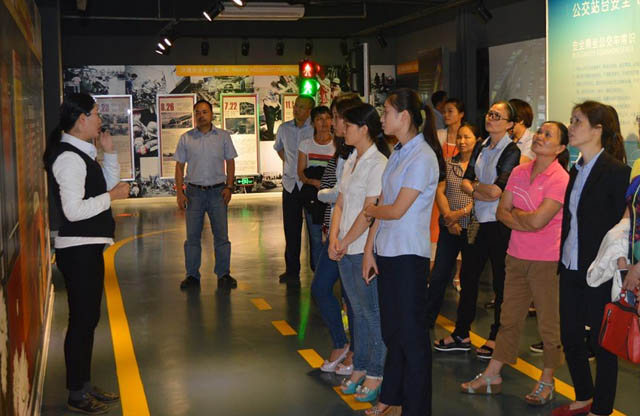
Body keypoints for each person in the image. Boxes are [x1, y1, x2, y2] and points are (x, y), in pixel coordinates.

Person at [460, 121, 570, 407]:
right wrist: (526, 218)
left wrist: (520, 216)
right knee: (508, 319)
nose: (540, 137)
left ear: (560, 148)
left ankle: (547, 379)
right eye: (540, 132)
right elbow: (501, 212)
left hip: (546, 260)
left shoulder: (560, 178)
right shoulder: (519, 172)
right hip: (516, 254)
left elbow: (538, 221)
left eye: (548, 135)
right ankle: (492, 375)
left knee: (548, 324)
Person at [43, 93, 130, 414]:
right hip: (78, 250)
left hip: (86, 247)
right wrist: (112, 197)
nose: (100, 120)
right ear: (81, 119)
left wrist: (110, 154)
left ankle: (83, 383)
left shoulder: (80, 153)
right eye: (96, 114)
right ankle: (76, 393)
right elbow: (74, 210)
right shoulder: (69, 159)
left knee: (87, 320)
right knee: (82, 322)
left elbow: (104, 186)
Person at [362, 88, 442, 416]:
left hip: (409, 256)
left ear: (404, 117)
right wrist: (369, 250)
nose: (382, 118)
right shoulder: (398, 152)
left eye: (386, 112)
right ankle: (391, 398)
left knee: (412, 337)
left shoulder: (423, 157)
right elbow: (385, 202)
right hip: (388, 252)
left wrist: (371, 210)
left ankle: (416, 408)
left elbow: (394, 210)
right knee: (393, 332)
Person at [552, 101, 629, 416]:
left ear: (597, 129)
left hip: (600, 269)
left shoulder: (616, 171)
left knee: (602, 341)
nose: (570, 127)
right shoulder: (576, 168)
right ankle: (584, 395)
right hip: (571, 264)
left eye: (577, 121)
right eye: (571, 120)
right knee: (570, 336)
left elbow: (623, 224)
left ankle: (602, 407)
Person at [434, 100, 520, 358]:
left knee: (500, 283)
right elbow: (465, 181)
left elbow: (497, 191)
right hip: (477, 222)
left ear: (509, 124)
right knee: (469, 278)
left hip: (499, 224)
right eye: (490, 113)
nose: (490, 118)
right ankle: (461, 333)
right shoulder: (482, 146)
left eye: (497, 115)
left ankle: (496, 337)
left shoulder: (511, 151)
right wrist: (481, 189)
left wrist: (478, 189)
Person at [328, 103, 389, 403]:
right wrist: (334, 237)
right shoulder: (352, 158)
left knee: (371, 313)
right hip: (344, 246)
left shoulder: (378, 163)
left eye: (348, 125)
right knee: (357, 311)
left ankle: (376, 371)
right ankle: (361, 366)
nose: (343, 129)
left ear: (364, 129)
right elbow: (340, 202)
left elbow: (369, 212)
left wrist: (345, 241)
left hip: (362, 248)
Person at [312, 94, 361, 375]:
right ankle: (342, 343)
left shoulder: (361, 154)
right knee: (321, 288)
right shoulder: (341, 151)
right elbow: (335, 192)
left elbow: (343, 194)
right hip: (335, 233)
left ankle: (356, 351)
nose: (332, 122)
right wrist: (329, 229)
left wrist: (325, 194)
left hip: (352, 235)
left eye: (337, 117)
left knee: (352, 297)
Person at [175, 99, 238, 290]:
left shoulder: (223, 137)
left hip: (218, 192)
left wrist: (229, 187)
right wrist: (180, 193)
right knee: (192, 237)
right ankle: (192, 276)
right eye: (197, 112)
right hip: (194, 193)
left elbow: (230, 162)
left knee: (221, 236)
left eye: (204, 112)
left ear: (211, 114)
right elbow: (179, 167)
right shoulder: (186, 138)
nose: (200, 116)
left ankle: (224, 274)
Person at [426, 123, 479, 329]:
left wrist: (461, 213)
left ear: (477, 140)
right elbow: (440, 191)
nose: (462, 141)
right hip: (449, 227)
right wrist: (449, 217)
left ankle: (463, 327)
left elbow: (483, 197)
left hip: (472, 228)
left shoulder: (481, 166)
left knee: (469, 278)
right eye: (459, 137)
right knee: (439, 274)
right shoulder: (448, 163)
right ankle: (427, 318)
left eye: (467, 137)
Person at [273, 96, 315, 287]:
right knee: (291, 228)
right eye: (296, 105)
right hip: (290, 184)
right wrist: (290, 164)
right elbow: (279, 149)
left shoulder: (314, 129)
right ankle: (291, 270)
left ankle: (317, 268)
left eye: (301, 107)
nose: (296, 109)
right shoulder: (284, 128)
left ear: (309, 111)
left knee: (314, 229)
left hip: (309, 183)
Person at [297, 106, 335, 275]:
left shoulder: (337, 145)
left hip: (332, 196)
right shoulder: (305, 144)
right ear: (313, 123)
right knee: (315, 235)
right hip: (313, 196)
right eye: (319, 119)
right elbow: (300, 172)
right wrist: (313, 182)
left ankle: (330, 271)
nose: (324, 123)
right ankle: (318, 272)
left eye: (327, 118)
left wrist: (327, 184)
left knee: (333, 233)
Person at [509, 98, 536, 163]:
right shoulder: (510, 138)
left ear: (521, 120)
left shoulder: (532, 139)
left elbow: (520, 163)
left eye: (509, 118)